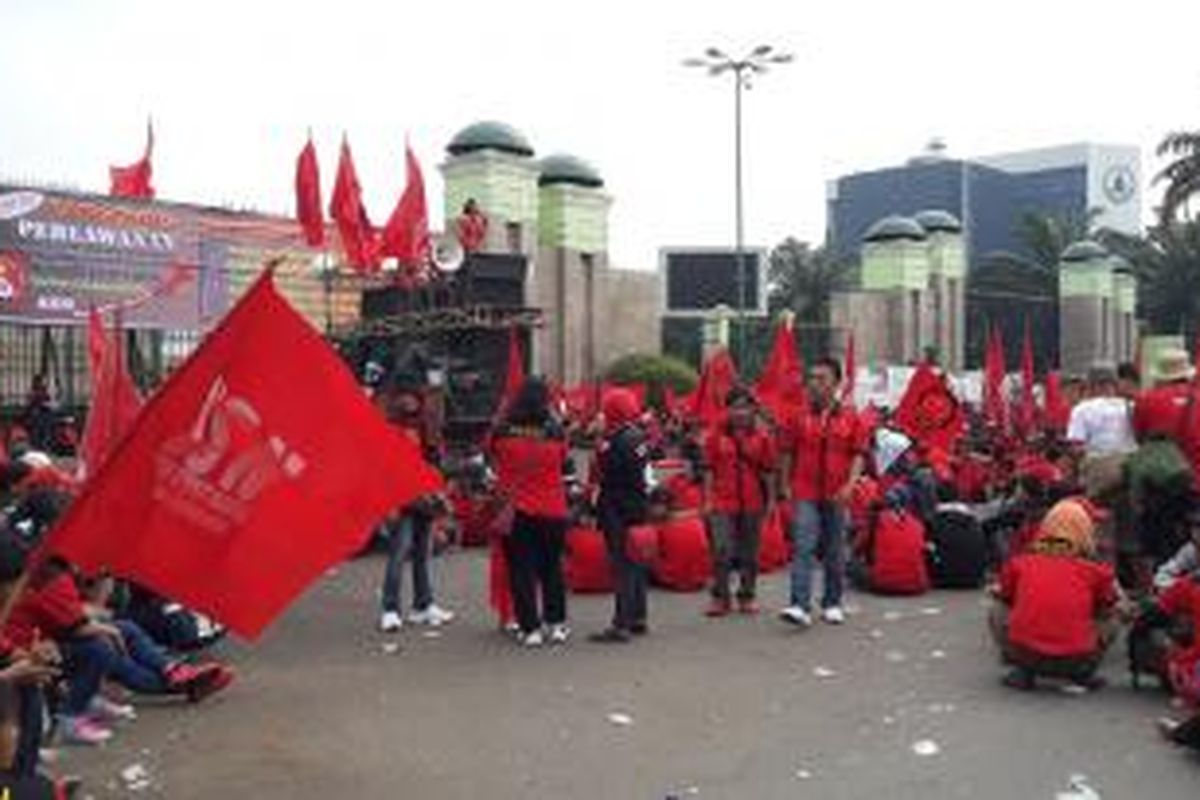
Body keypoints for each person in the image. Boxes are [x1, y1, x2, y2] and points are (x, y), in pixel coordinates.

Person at [6, 557, 232, 746]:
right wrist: (108, 628)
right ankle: (71, 717)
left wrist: (105, 604)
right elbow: (78, 624)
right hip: (28, 656)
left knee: (122, 630)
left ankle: (171, 669)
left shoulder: (54, 573)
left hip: (44, 644)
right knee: (101, 649)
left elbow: (82, 614)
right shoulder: (50, 577)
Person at [991, 498, 1119, 691]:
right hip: (1078, 660)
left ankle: (1023, 671)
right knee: (1112, 617)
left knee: (998, 609)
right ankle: (1083, 674)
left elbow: (1005, 597)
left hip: (1026, 656)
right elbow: (1107, 605)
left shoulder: (1021, 563)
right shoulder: (1096, 571)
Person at [779, 357, 867, 627]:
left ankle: (832, 602)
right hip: (805, 491)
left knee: (834, 550)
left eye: (821, 379)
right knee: (802, 546)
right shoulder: (798, 416)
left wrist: (850, 485)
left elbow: (858, 454)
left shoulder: (852, 417)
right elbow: (787, 452)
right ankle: (799, 605)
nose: (814, 384)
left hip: (837, 492)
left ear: (836, 383)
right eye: (812, 378)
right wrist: (784, 484)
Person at [490, 378, 571, 647]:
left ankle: (530, 629)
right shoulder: (556, 431)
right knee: (552, 569)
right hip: (553, 508)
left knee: (521, 570)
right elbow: (563, 463)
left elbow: (492, 459)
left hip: (517, 511)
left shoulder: (501, 431)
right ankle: (557, 624)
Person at [378, 383, 454, 632]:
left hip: (424, 498)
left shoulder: (423, 426)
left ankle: (423, 604)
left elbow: (432, 460)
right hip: (402, 498)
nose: (409, 401)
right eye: (404, 395)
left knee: (422, 554)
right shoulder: (391, 428)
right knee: (398, 555)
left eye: (412, 395)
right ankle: (390, 608)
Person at [702, 386, 775, 617]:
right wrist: (707, 499)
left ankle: (747, 595)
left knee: (750, 553)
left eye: (745, 406)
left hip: (753, 502)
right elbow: (708, 470)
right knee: (721, 549)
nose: (740, 412)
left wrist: (772, 500)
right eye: (735, 407)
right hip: (722, 502)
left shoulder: (763, 437)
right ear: (728, 409)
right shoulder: (715, 436)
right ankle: (720, 597)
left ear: (753, 409)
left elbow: (768, 471)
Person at [590, 389, 651, 644]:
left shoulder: (614, 441)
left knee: (622, 566)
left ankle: (621, 623)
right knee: (636, 563)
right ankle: (638, 616)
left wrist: (599, 441)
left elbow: (605, 472)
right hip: (637, 506)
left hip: (617, 508)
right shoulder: (638, 436)